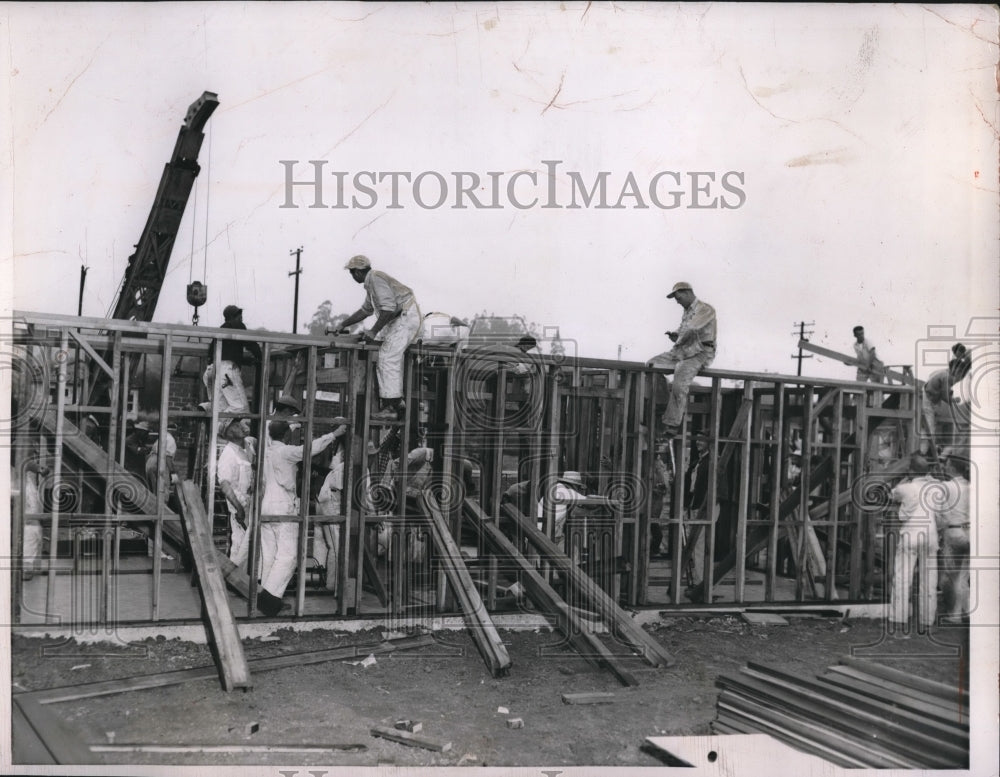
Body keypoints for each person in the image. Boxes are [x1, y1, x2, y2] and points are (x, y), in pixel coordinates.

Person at [259, 419, 345, 607]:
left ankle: (263, 596)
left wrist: (291, 426)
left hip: (265, 505)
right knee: (289, 557)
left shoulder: (266, 450)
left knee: (270, 554)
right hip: (283, 505)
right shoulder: (286, 452)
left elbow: (276, 432)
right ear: (287, 435)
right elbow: (310, 449)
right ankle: (270, 599)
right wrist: (334, 435)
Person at [335, 255, 421, 420]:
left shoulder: (376, 279)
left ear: (358, 272)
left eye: (352, 273)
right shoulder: (371, 284)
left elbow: (388, 310)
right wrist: (342, 324)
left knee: (388, 357)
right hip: (397, 319)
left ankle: (392, 407)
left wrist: (373, 331)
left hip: (404, 317)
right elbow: (365, 311)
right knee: (385, 354)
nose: (352, 277)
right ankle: (397, 404)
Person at [648, 282, 717, 439]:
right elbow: (683, 331)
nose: (677, 301)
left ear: (687, 292)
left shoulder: (705, 309)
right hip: (683, 350)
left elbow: (692, 329)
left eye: (678, 297)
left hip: (700, 352)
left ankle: (672, 424)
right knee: (651, 365)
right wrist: (675, 335)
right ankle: (662, 404)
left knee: (680, 381)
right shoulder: (687, 311)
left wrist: (678, 338)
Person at [888, 454, 938, 630]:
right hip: (931, 535)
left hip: (911, 534)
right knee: (929, 579)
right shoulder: (935, 487)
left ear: (910, 471)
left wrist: (905, 478)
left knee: (903, 576)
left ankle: (898, 619)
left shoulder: (905, 488)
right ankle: (927, 621)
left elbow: (891, 494)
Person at [203, 305, 263, 425]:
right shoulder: (236, 325)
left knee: (222, 408)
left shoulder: (221, 331)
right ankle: (206, 409)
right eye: (240, 317)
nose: (242, 320)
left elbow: (224, 355)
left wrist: (247, 361)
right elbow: (251, 343)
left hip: (211, 370)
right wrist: (261, 357)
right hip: (225, 372)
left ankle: (216, 429)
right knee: (241, 408)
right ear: (233, 317)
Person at [684, 433, 720, 603]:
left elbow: (716, 486)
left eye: (702, 439)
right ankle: (701, 583)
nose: (698, 442)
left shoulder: (712, 460)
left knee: (700, 546)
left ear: (709, 442)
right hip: (697, 505)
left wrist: (708, 505)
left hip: (706, 506)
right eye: (697, 440)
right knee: (697, 546)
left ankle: (702, 584)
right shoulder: (699, 461)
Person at [935, 453, 970, 624]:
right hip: (971, 532)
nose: (944, 467)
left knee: (950, 576)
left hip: (953, 532)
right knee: (964, 576)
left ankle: (954, 614)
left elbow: (940, 513)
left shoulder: (946, 486)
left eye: (947, 464)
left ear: (953, 468)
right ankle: (967, 611)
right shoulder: (972, 486)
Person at [217, 419, 255, 570]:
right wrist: (238, 508)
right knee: (240, 544)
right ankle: (234, 579)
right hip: (240, 506)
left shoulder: (247, 448)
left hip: (251, 503)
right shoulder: (228, 454)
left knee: (247, 544)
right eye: (236, 425)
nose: (240, 426)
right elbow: (225, 486)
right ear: (229, 432)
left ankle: (240, 579)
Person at [920, 356, 971, 455]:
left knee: (932, 424)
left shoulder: (945, 373)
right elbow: (946, 395)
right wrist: (954, 400)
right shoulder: (946, 376)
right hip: (929, 399)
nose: (960, 376)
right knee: (930, 427)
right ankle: (925, 452)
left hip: (932, 397)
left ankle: (930, 450)